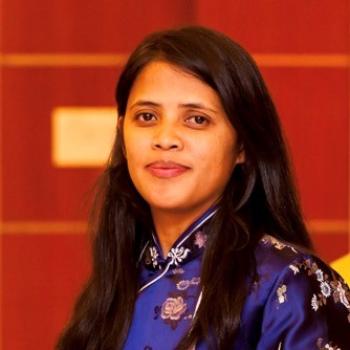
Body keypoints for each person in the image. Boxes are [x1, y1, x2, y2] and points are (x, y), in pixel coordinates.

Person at [56, 26, 350, 350]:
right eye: (147, 116)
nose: (165, 138)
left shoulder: (289, 282)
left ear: (242, 146)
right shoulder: (113, 287)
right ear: (122, 137)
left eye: (196, 119)